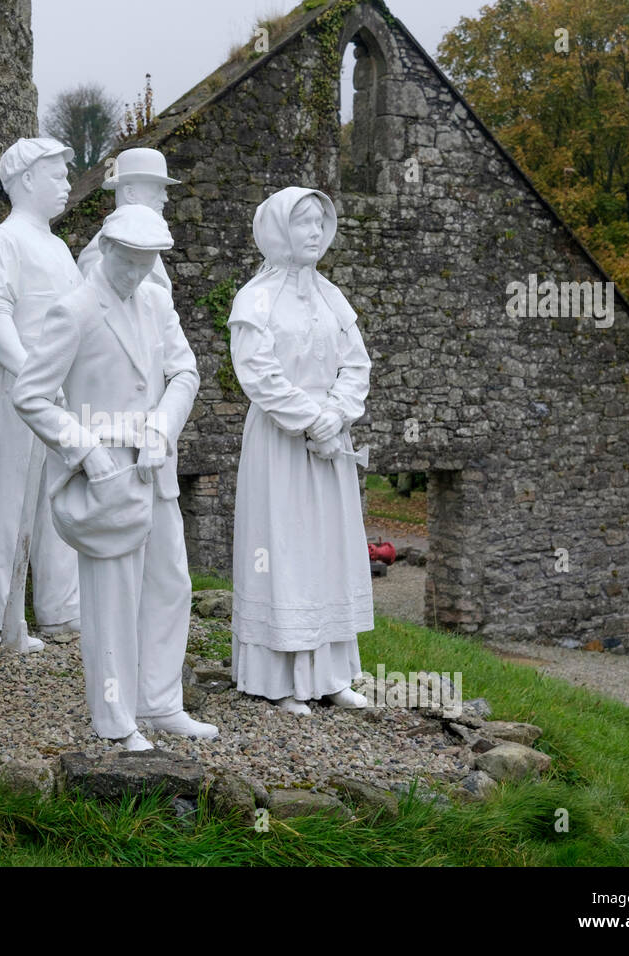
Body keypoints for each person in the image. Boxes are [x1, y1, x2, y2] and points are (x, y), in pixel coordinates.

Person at [12, 204, 217, 750]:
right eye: (128, 260)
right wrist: (83, 448)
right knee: (110, 599)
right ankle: (114, 717)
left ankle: (160, 701)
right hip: (106, 475)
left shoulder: (155, 299)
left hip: (155, 467)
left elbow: (184, 371)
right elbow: (30, 395)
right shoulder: (74, 310)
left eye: (146, 262)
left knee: (171, 583)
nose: (136, 272)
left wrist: (162, 427)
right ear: (105, 249)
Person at [227, 186, 373, 714]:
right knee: (282, 550)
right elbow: (258, 373)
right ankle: (280, 678)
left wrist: (336, 414)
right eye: (303, 223)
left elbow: (356, 364)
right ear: (278, 230)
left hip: (330, 443)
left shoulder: (333, 297)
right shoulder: (256, 299)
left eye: (319, 223)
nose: (314, 232)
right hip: (281, 443)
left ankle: (331, 673)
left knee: (328, 550)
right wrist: (310, 420)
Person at [0, 137, 82, 638]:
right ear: (28, 179)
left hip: (56, 393)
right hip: (12, 388)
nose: (66, 185)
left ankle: (60, 607)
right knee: (11, 498)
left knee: (57, 495)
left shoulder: (59, 248)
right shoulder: (3, 240)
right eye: (57, 175)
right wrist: (31, 378)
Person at [76, 147, 178, 294]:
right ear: (130, 193)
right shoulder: (103, 253)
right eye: (158, 189)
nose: (165, 198)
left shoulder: (146, 242)